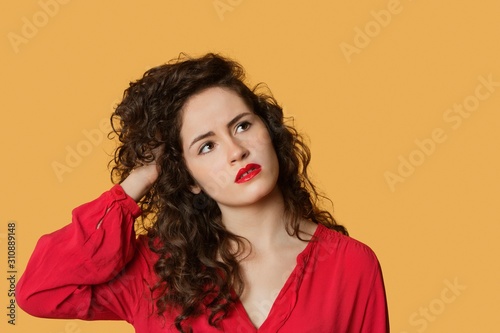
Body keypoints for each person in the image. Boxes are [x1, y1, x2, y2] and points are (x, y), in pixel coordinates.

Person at [17, 53, 389, 333]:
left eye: (242, 125)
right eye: (206, 146)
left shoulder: (350, 266)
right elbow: (39, 289)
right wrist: (141, 178)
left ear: (270, 132)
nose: (235, 150)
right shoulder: (156, 270)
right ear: (188, 176)